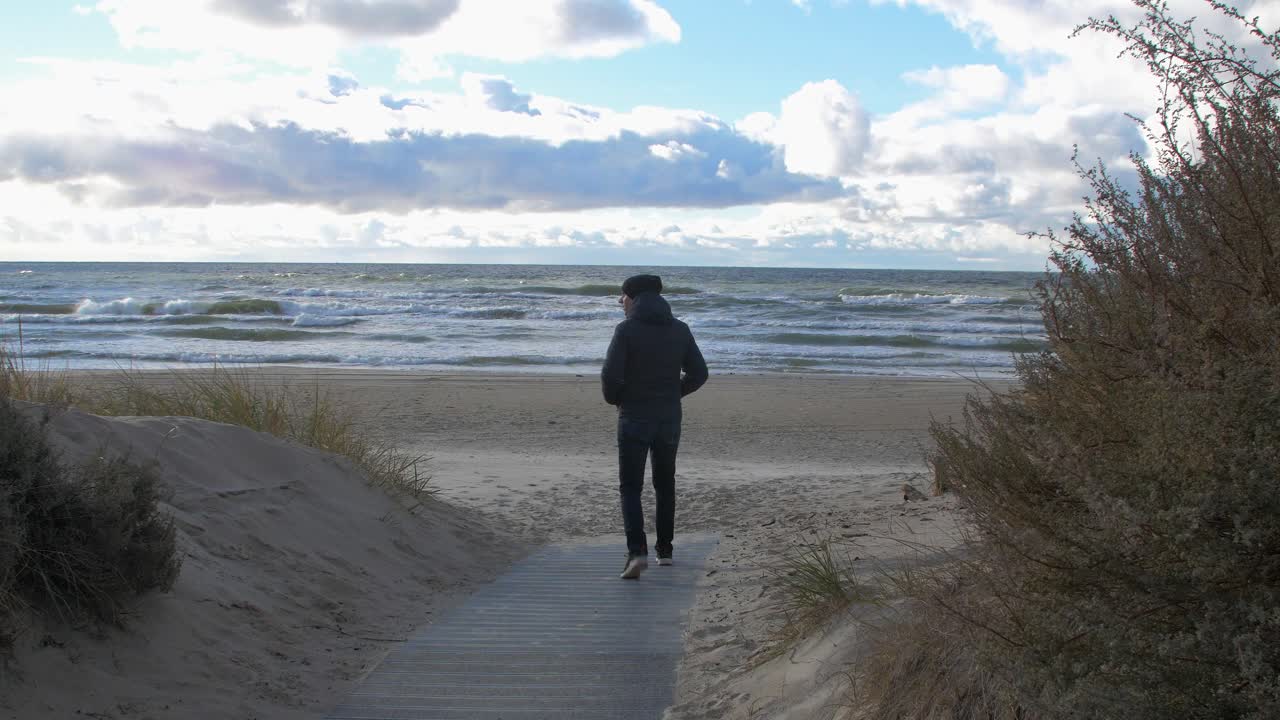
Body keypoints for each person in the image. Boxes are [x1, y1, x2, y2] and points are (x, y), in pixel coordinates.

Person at [601, 274, 708, 579]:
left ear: (632, 299)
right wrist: (675, 392)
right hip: (668, 418)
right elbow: (699, 373)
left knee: (631, 487)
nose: (620, 303)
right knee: (665, 483)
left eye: (622, 298)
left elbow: (610, 377)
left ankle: (637, 553)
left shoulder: (626, 330)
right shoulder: (679, 329)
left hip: (634, 416)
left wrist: (617, 399)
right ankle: (666, 551)